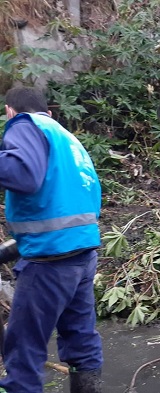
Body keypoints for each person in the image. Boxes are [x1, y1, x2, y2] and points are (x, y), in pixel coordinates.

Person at [0, 87, 103, 392]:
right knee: (80, 338)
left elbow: (23, 175)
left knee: (24, 348)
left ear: (10, 111)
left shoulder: (24, 125)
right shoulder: (67, 139)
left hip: (50, 259)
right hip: (83, 252)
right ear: (50, 112)